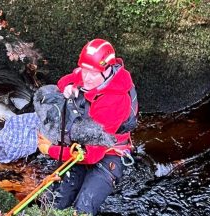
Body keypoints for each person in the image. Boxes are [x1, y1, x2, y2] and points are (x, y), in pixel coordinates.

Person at [38, 38, 138, 215]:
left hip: (109, 153)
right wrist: (69, 86)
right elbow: (65, 80)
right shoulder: (89, 75)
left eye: (92, 73)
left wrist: (50, 150)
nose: (86, 78)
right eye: (84, 71)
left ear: (107, 69)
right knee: (54, 203)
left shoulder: (114, 101)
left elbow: (91, 156)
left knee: (82, 209)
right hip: (83, 144)